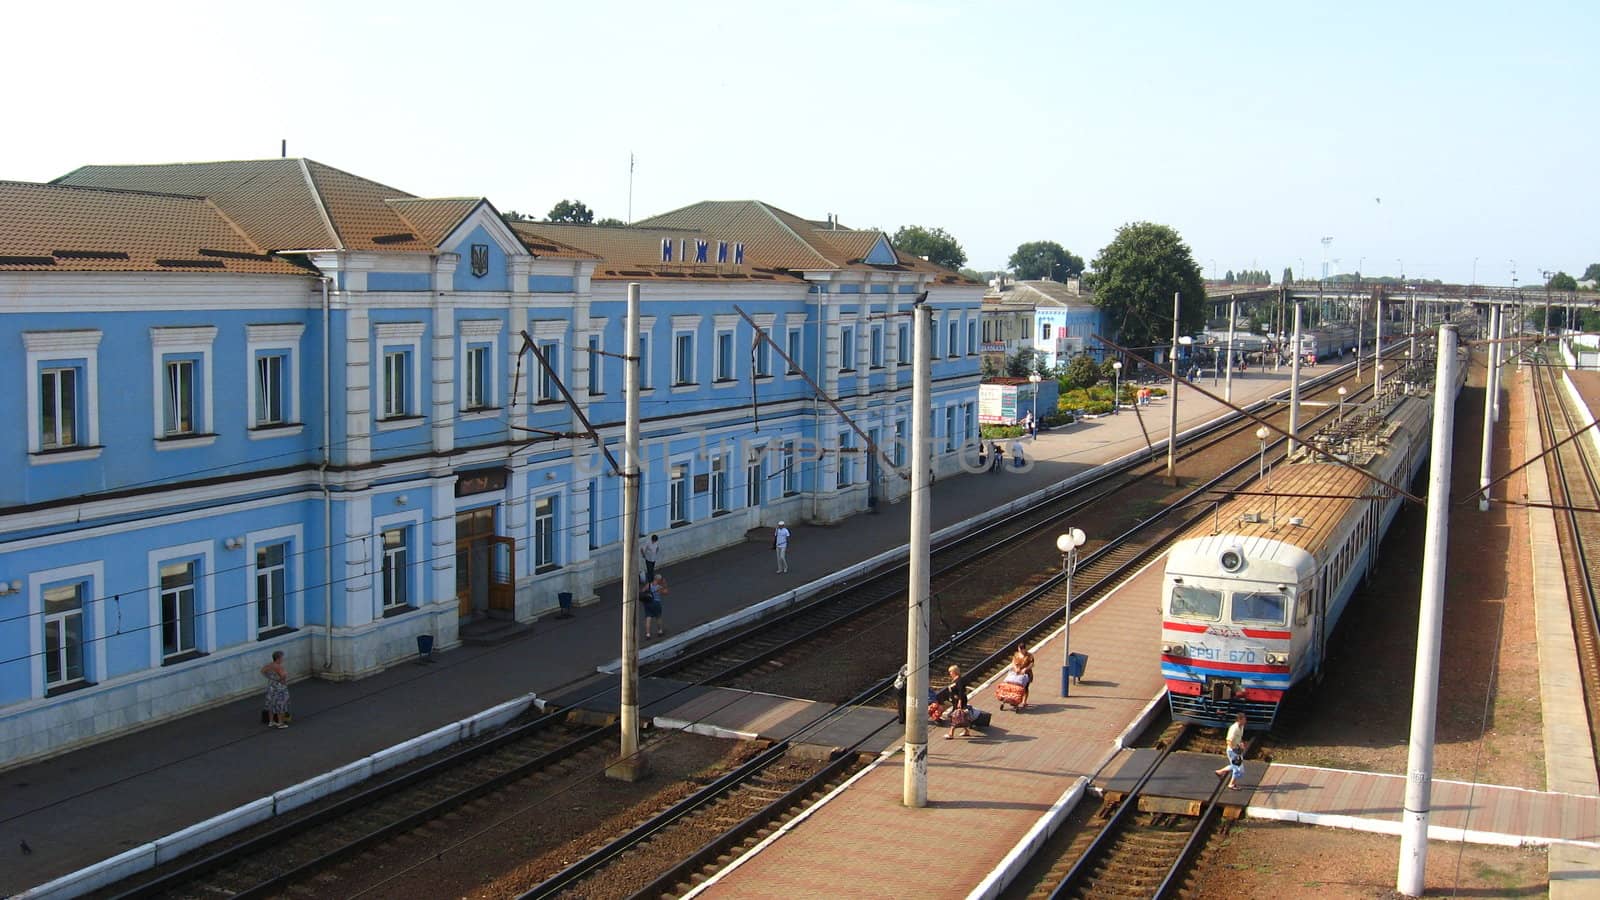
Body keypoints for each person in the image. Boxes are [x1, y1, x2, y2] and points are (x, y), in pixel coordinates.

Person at [1214, 711, 1248, 789]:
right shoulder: (1234, 728)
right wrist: (1234, 749)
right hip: (1232, 751)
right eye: (1244, 719)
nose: (1245, 721)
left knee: (1236, 766)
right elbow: (1228, 740)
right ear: (1240, 720)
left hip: (1237, 749)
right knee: (1238, 768)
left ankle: (1220, 772)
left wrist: (1241, 744)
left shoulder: (1241, 727)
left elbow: (1238, 738)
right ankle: (1231, 784)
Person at [1000, 643, 1034, 711]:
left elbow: (1031, 664)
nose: (1020, 651)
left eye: (1022, 650)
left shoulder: (1029, 656)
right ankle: (1013, 698)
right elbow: (1013, 662)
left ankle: (1024, 701)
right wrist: (1015, 668)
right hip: (1016, 673)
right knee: (1013, 686)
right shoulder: (1016, 654)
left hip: (1026, 674)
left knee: (1025, 687)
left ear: (1024, 649)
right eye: (1019, 650)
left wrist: (1025, 669)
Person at [260, 650, 290, 729]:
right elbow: (283, 676)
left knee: (271, 704)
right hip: (279, 688)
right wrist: (280, 680)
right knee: (281, 705)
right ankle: (280, 723)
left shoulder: (269, 665)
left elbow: (262, 671)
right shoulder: (279, 667)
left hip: (271, 687)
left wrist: (270, 677)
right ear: (278, 658)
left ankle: (271, 721)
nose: (283, 659)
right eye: (282, 658)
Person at [944, 664, 974, 739]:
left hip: (959, 701)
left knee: (955, 716)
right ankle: (966, 731)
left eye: (950, 671)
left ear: (955, 672)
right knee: (961, 716)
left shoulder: (959, 680)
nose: (950, 673)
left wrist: (960, 701)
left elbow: (961, 691)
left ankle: (951, 734)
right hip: (956, 701)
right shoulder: (955, 680)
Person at [642, 574, 668, 638]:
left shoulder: (648, 585)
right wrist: (665, 584)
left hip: (648, 603)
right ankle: (660, 631)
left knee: (648, 618)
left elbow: (642, 591)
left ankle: (648, 634)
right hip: (656, 603)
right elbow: (666, 592)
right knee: (658, 617)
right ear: (658, 580)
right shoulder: (659, 587)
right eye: (661, 580)